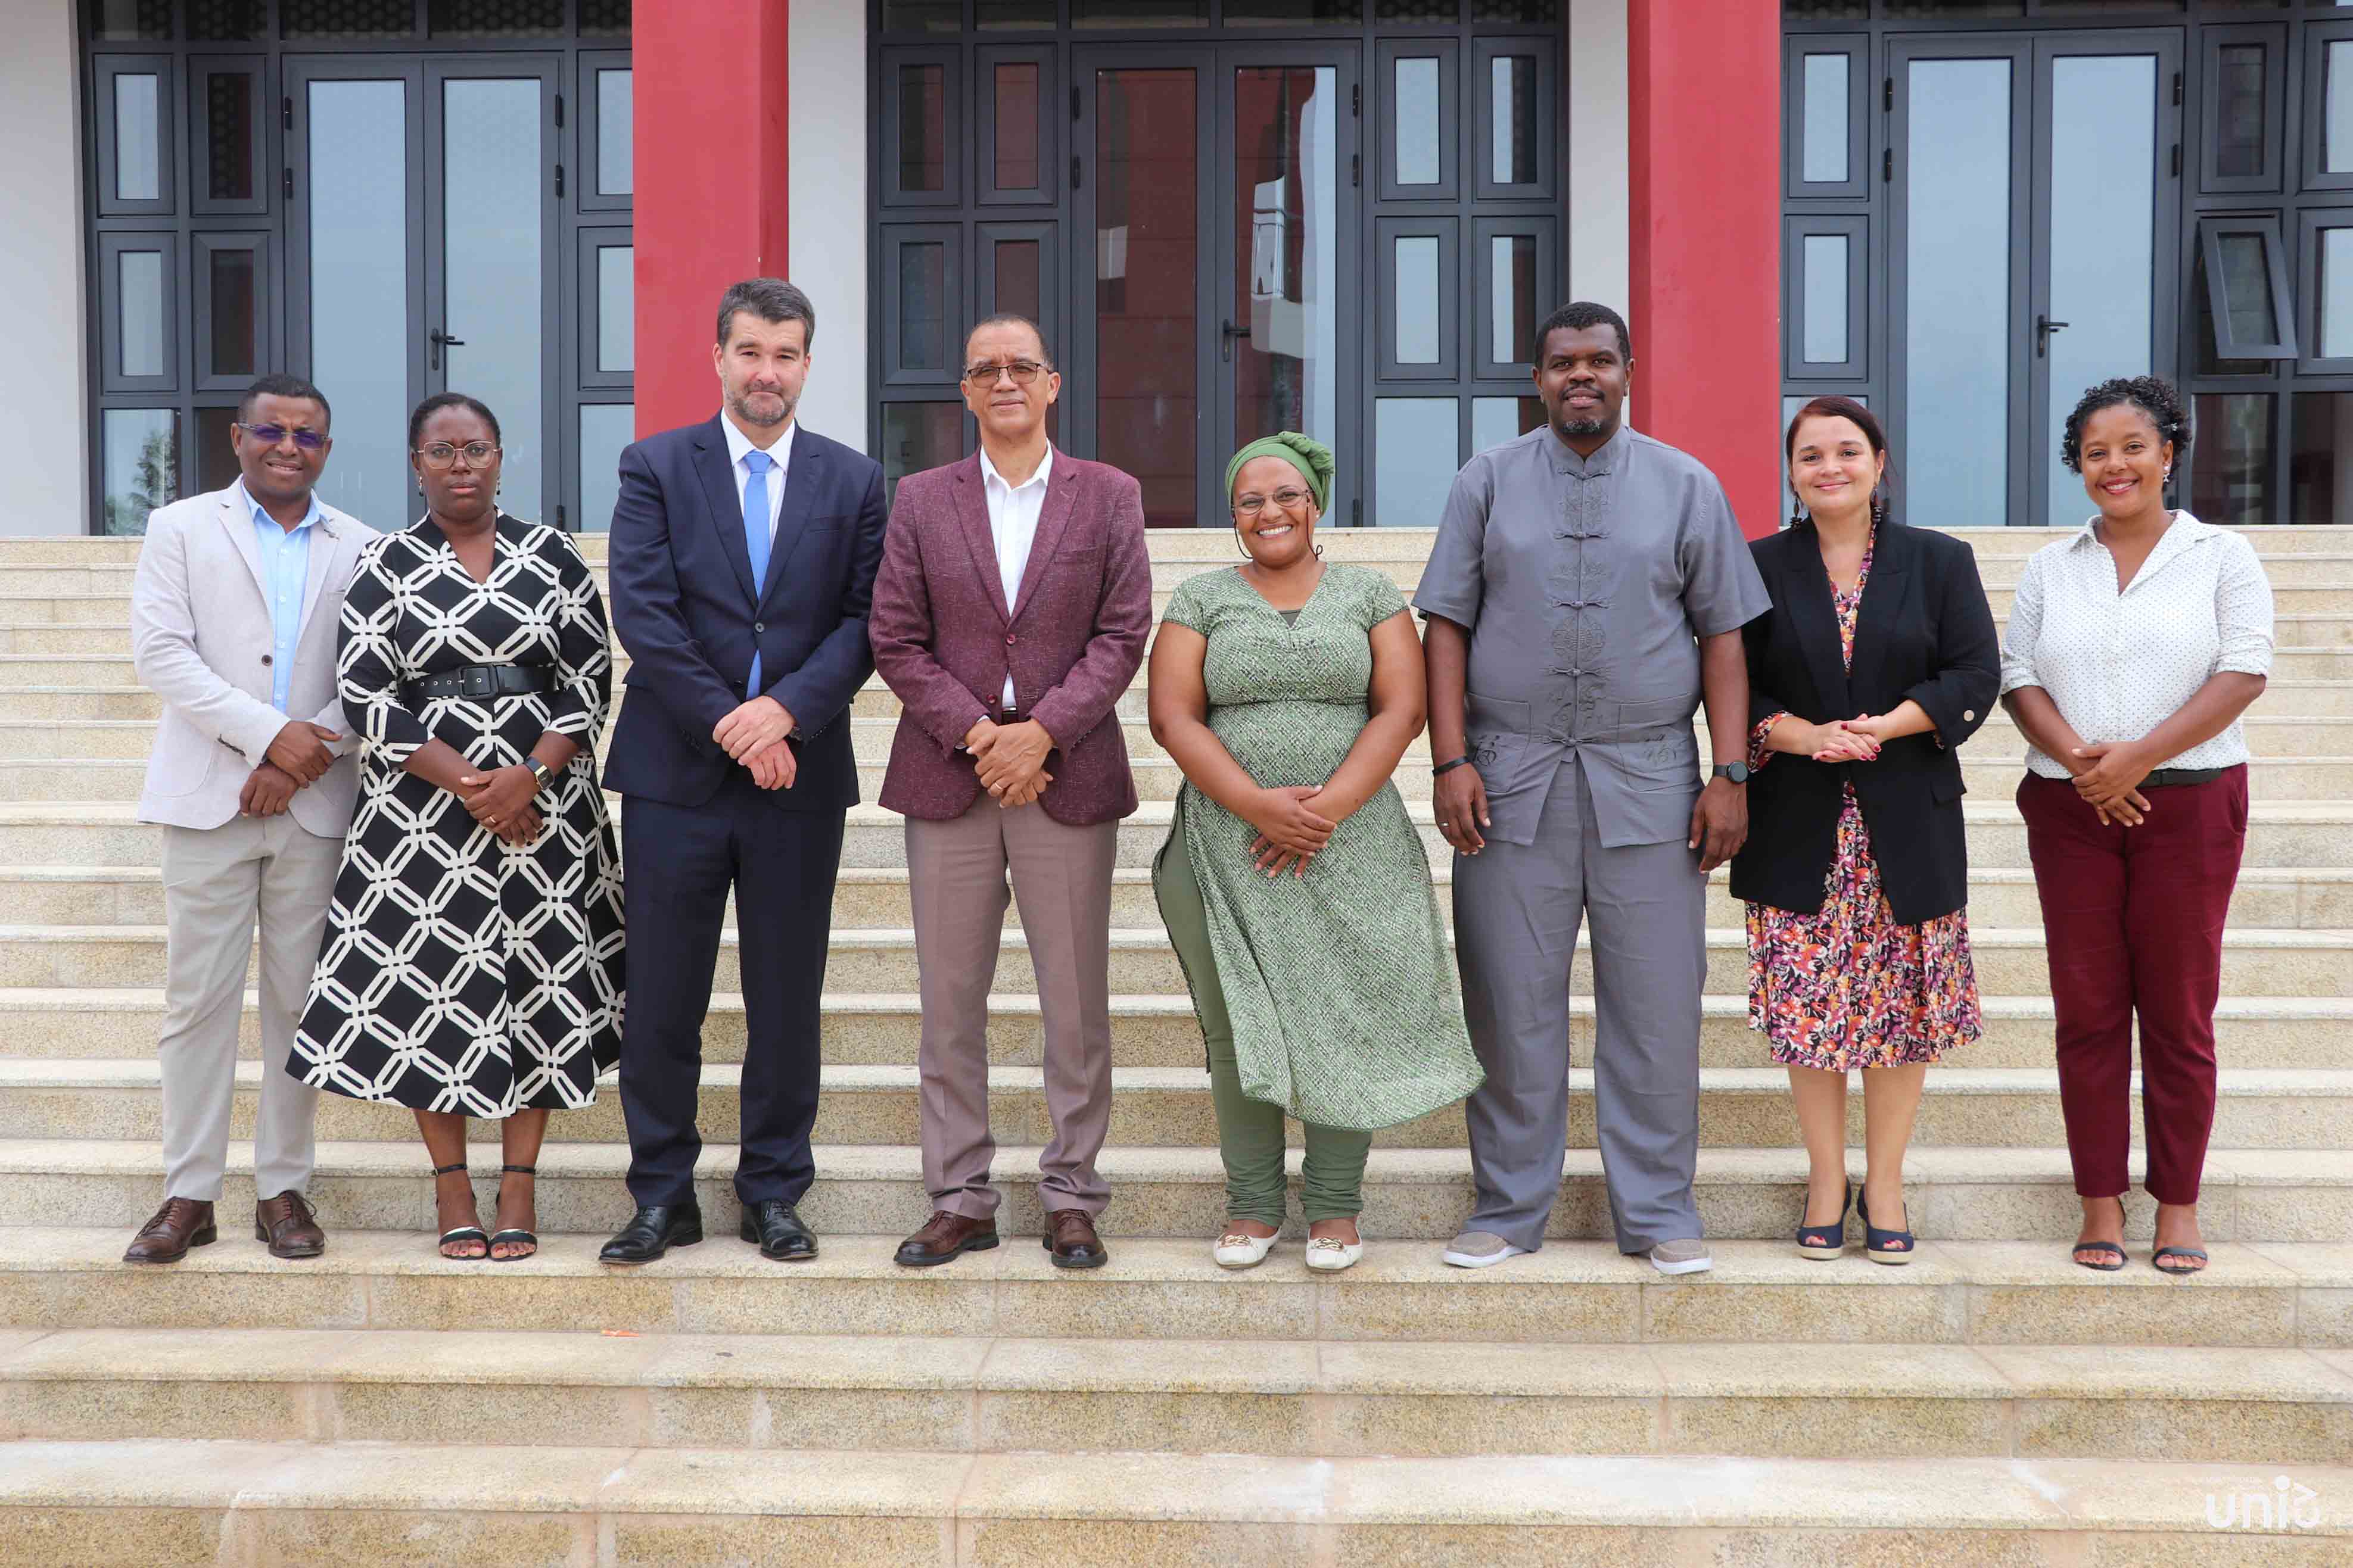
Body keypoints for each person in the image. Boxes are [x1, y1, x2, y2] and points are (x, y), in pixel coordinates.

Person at [1415, 301, 1769, 1276]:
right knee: (1506, 1002)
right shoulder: (1484, 482)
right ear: (1536, 379)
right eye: (1563, 362)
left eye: (1600, 361)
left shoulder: (1685, 486)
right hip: (1508, 778)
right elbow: (1443, 624)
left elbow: (1723, 637)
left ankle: (1659, 1214)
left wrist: (1729, 771)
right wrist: (1449, 761)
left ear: (1626, 372)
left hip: (1651, 782)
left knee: (1656, 1008)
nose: (1583, 375)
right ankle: (1505, 1207)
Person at [290, 393, 624, 1261]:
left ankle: (520, 1180)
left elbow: (588, 677)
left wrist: (532, 775)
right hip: (419, 817)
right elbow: (366, 690)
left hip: (544, 807)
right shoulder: (384, 562)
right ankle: (451, 1186)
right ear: (417, 465)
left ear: (501, 457)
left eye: (475, 448)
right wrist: (474, 784)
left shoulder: (550, 554)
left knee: (538, 981)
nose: (461, 463)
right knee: (432, 988)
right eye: (442, 452)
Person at [599, 279, 888, 1265]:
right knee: (665, 994)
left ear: (809, 364)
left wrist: (788, 713)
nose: (768, 371)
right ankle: (661, 1192)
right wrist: (734, 721)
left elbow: (866, 622)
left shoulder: (853, 480)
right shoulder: (654, 467)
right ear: (718, 357)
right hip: (676, 776)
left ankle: (773, 1187)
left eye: (787, 353)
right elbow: (643, 613)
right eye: (751, 351)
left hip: (797, 780)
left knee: (784, 995)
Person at [1149, 432, 1481, 1273]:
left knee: (1345, 1015)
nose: (1270, 511)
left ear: (1316, 502)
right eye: (1250, 499)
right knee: (1236, 1029)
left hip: (1351, 841)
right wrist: (1257, 805)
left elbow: (1400, 708)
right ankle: (1252, 1205)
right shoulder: (1199, 598)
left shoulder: (1369, 593)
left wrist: (1322, 811)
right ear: (1232, 515)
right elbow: (1174, 718)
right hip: (1224, 846)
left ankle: (1334, 1206)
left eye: (1287, 494)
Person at [868, 314, 1151, 1271]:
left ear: (1052, 383)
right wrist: (983, 734)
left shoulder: (1108, 495)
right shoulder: (920, 497)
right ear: (963, 389)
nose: (1003, 381)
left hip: (1064, 780)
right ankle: (960, 1195)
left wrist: (1043, 733)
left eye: (1020, 366)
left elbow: (1122, 633)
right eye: (984, 367)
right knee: (950, 1006)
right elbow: (895, 638)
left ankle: (1072, 1193)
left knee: (1075, 1004)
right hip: (950, 778)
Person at [2002, 376, 2273, 1277]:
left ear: (2167, 452)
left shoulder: (2220, 555)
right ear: (2076, 466)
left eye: (2130, 446)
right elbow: (2016, 676)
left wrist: (2137, 756)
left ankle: (2178, 1203)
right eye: (2093, 452)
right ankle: (2098, 1200)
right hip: (2069, 808)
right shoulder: (2051, 565)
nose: (2112, 465)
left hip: (2189, 807)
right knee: (2084, 1012)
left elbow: (2242, 671)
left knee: (2177, 1011)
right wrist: (2088, 762)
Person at [1733, 397, 1999, 1265]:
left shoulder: (1938, 561)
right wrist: (1805, 735)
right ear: (1791, 472)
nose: (1829, 467)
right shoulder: (1758, 565)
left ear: (1879, 461)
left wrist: (1881, 726)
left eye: (1847, 450)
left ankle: (1882, 1182)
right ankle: (1822, 1180)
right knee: (1811, 1017)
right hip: (1799, 821)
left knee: (1902, 1016)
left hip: (1905, 817)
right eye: (1809, 454)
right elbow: (1728, 683)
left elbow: (1974, 670)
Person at [123, 373, 369, 1265]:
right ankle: (189, 1189)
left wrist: (310, 751)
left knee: (300, 1005)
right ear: (238, 437)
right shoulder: (180, 527)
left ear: (326, 451)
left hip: (315, 808)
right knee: (198, 1003)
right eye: (271, 430)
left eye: (307, 435)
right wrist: (269, 741)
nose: (287, 447)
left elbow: (379, 672)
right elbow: (162, 653)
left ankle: (281, 1186)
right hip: (205, 799)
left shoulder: (363, 545)